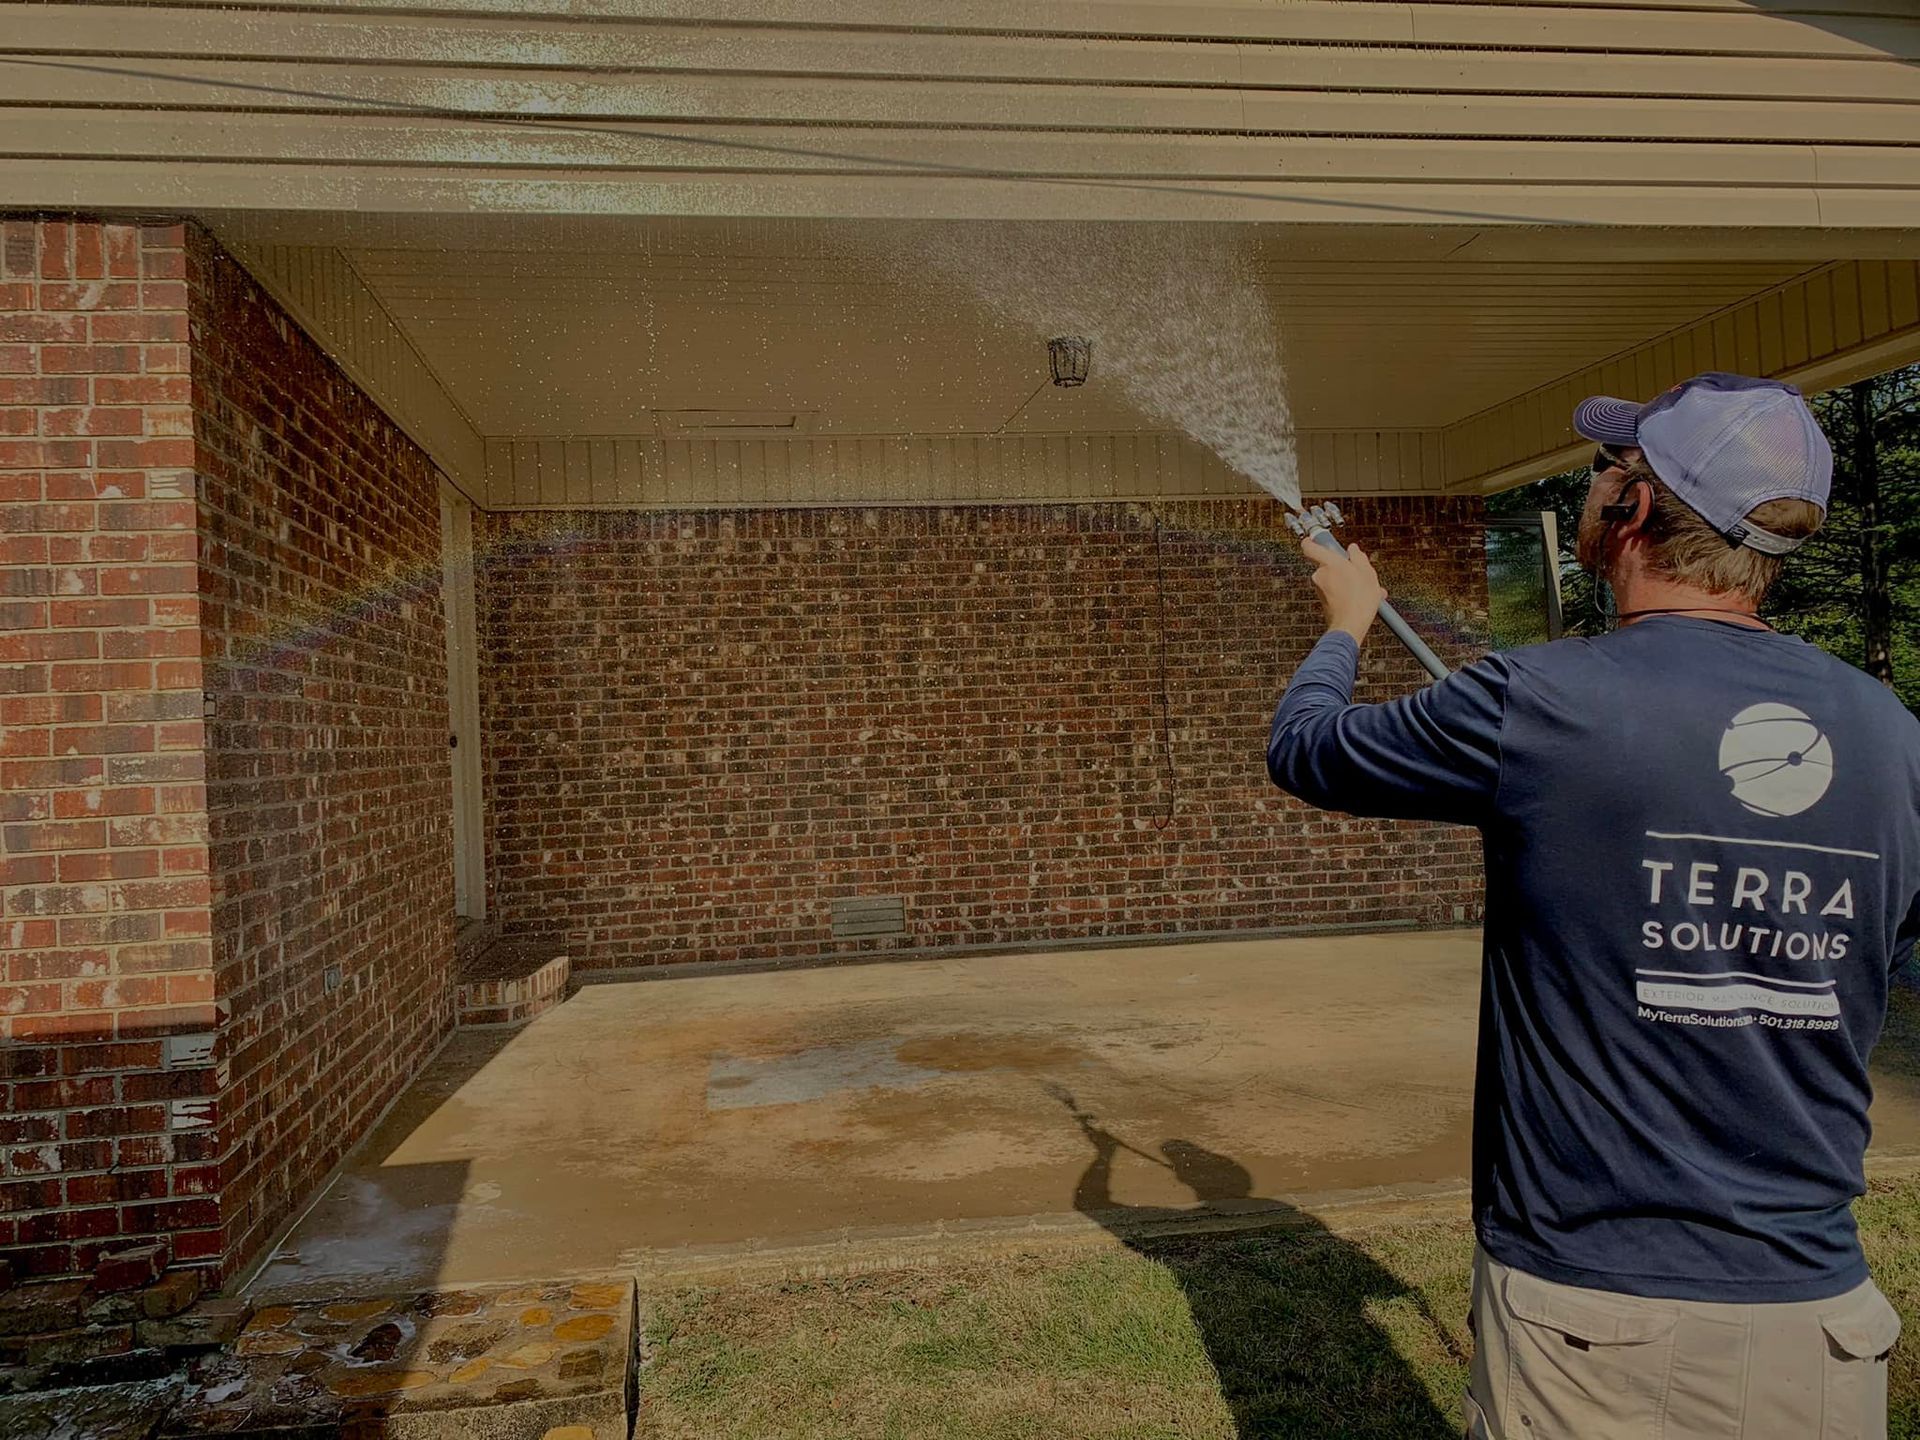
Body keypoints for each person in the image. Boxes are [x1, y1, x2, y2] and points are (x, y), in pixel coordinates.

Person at [1265, 372, 1920, 1439]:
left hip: (1595, 1325)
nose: (1592, 488)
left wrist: (1348, 625)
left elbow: (1307, 751)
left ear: (1636, 509)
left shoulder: (1541, 701)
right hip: (1820, 1328)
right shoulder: (1892, 735)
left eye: (1607, 470)